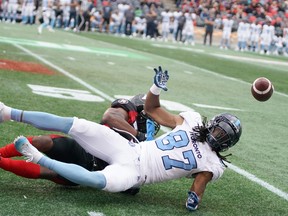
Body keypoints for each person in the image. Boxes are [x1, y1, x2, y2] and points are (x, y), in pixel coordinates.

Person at [0, 66, 242, 211]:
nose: (218, 136)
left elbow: (198, 186)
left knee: (97, 181)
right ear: (212, 124)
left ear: (228, 144)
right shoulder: (191, 121)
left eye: (224, 136)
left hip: (137, 174)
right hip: (131, 149)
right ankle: (8, 112)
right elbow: (154, 109)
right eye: (219, 130)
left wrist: (194, 199)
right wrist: (155, 88)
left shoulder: (213, 163)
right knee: (74, 124)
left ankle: (38, 157)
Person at [0, 94, 159, 195]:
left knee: (49, 172)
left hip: (96, 170)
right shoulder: (126, 109)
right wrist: (138, 135)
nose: (154, 119)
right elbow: (110, 117)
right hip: (85, 151)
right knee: (42, 141)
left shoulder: (149, 134)